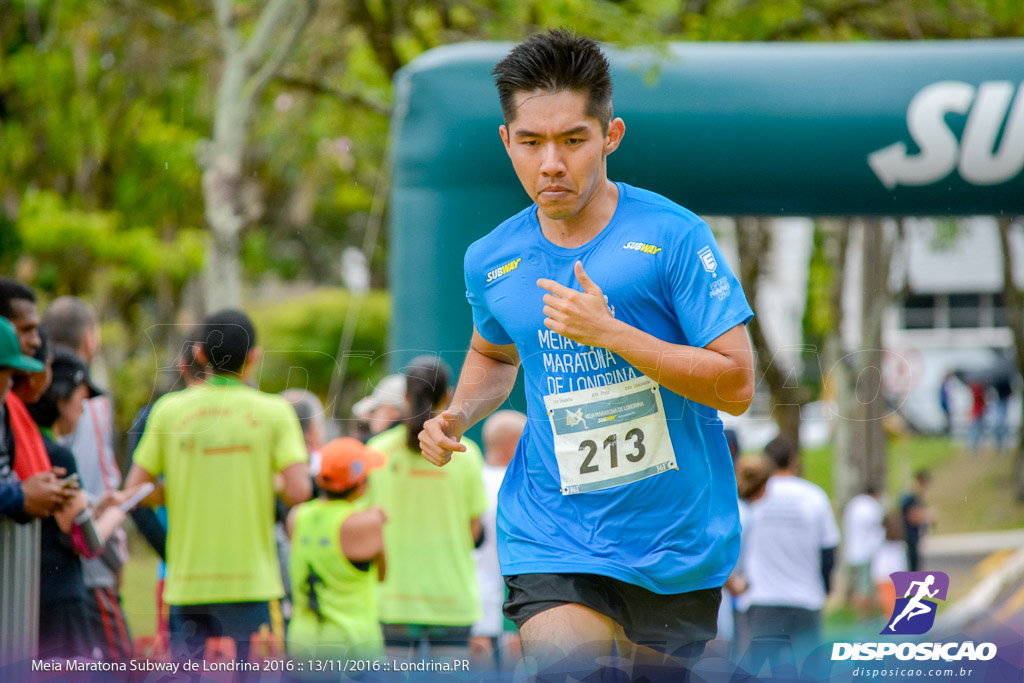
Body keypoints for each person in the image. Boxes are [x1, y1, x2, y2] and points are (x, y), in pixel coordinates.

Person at [418, 29, 755, 674]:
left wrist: (612, 334)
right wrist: (459, 414)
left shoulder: (674, 236)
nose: (552, 163)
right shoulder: (491, 259)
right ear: (506, 141)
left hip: (672, 538)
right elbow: (494, 356)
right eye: (531, 142)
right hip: (551, 530)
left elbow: (737, 385)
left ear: (611, 135)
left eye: (573, 140)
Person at [125, 309, 312, 664]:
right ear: (254, 357)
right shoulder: (275, 412)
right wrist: (258, 477)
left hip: (187, 587)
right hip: (253, 587)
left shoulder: (169, 410)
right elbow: (299, 491)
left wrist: (181, 483)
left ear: (199, 354)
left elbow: (134, 491)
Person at [368, 356, 487, 662]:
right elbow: (474, 530)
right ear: (446, 397)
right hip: (452, 600)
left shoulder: (377, 452)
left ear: (405, 397)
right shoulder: (466, 453)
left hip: (392, 600)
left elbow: (367, 524)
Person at [27, 346, 138, 658]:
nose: (83, 409)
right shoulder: (58, 455)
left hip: (32, 591)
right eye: (81, 399)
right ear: (62, 399)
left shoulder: (31, 444)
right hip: (61, 595)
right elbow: (87, 541)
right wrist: (117, 512)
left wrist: (98, 505)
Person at [742, 436, 839, 677]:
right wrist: (825, 588)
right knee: (810, 673)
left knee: (762, 672)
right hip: (806, 599)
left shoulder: (754, 499)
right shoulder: (814, 496)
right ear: (794, 461)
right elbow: (829, 551)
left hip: (763, 599)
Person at [286, 437, 387, 665]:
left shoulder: (296, 517)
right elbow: (382, 574)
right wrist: (377, 522)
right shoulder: (364, 524)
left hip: (302, 646)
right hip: (353, 648)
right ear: (361, 484)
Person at [470, 410, 527, 670]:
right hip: (514, 613)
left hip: (470, 609)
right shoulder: (522, 487)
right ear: (516, 444)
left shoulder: (471, 482)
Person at [842, 485, 884, 621]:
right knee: (865, 588)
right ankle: (864, 618)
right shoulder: (872, 506)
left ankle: (862, 616)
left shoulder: (854, 504)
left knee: (859, 587)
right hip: (865, 553)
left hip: (851, 552)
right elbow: (878, 528)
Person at [351, 374, 406, 442]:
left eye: (375, 410)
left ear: (394, 412)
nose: (370, 419)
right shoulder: (417, 442)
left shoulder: (378, 445)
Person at [900, 470, 935, 572]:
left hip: (914, 537)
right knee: (913, 568)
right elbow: (912, 517)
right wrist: (927, 515)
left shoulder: (914, 496)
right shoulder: (911, 496)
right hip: (910, 537)